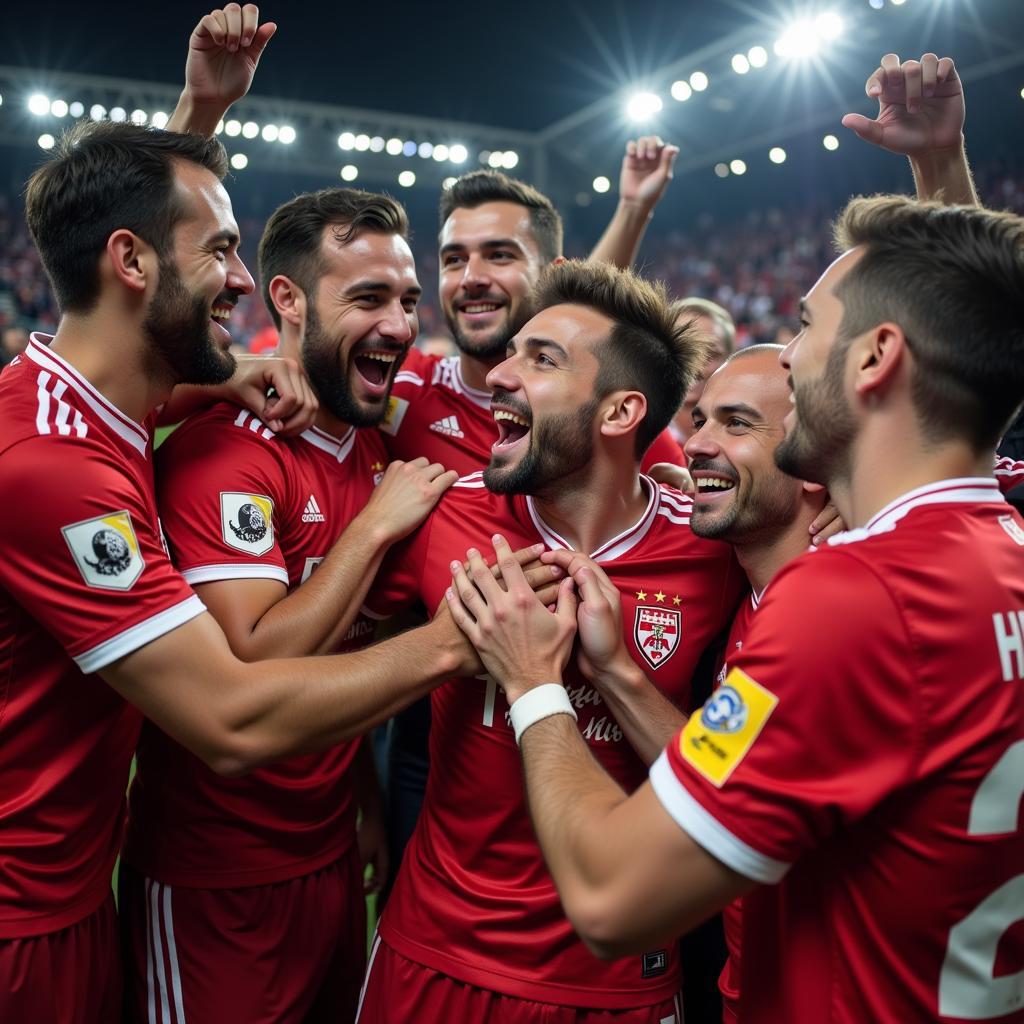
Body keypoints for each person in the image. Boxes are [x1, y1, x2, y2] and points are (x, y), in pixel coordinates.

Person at [0, 87, 522, 1024]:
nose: (237, 280)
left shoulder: (130, 410)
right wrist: (463, 639)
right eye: (222, 252)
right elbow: (231, 716)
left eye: (409, 299)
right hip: (35, 910)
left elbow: (148, 247)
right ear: (131, 261)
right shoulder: (54, 463)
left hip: (105, 880)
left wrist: (200, 108)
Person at [447, 189, 1024, 1022]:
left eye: (807, 326)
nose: (789, 353)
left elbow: (612, 898)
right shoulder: (998, 553)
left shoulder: (853, 597)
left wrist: (534, 680)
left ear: (874, 359)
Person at [355, 259, 744, 1023]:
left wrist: (618, 675)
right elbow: (324, 676)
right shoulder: (438, 515)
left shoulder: (716, 552)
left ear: (620, 412)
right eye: (513, 353)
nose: (500, 375)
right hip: (434, 954)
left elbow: (736, 782)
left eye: (542, 359)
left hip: (617, 980)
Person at [119, 186, 458, 1024]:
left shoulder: (379, 445)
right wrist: (374, 529)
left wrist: (365, 806)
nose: (399, 325)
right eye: (368, 299)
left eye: (408, 301)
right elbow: (256, 661)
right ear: (288, 300)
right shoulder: (225, 453)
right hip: (215, 880)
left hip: (333, 855)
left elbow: (349, 655)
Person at [668, 298, 736, 445]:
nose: (694, 366)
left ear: (729, 361)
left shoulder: (743, 441)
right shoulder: (633, 438)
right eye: (681, 350)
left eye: (709, 354)